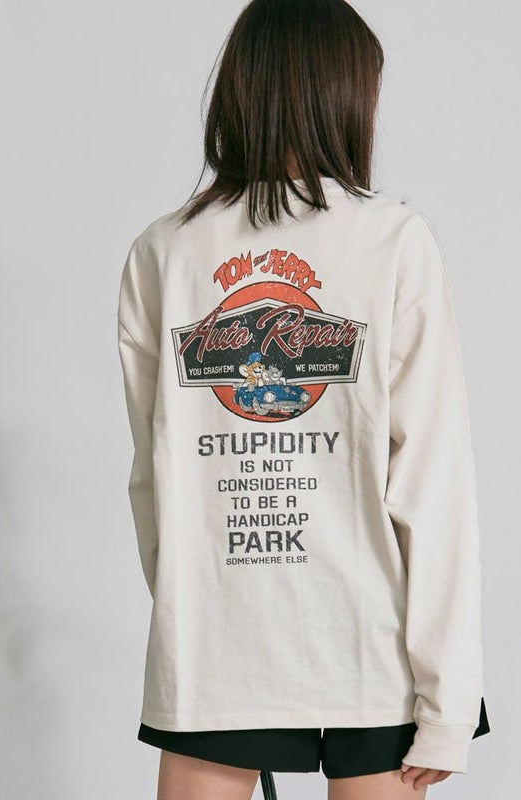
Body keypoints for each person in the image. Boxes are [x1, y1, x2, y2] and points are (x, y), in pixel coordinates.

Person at [116, 0, 490, 797]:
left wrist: (190, 607)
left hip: (215, 646)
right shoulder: (391, 241)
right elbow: (433, 482)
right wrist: (448, 699)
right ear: (346, 94)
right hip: (368, 645)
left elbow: (154, 479)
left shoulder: (163, 251)